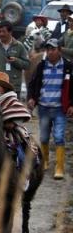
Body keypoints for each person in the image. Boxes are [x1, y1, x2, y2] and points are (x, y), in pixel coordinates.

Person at [27, 39, 73, 179]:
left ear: (59, 50)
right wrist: (32, 98)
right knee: (44, 137)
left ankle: (59, 167)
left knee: (59, 137)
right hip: (44, 107)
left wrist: (71, 104)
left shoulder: (68, 66)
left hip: (60, 108)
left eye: (53, 49)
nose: (50, 52)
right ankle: (45, 161)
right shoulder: (42, 66)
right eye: (48, 49)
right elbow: (33, 83)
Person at [0, 20, 29, 95]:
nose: (1, 34)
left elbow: (27, 64)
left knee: (12, 107)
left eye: (3, 31)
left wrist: (16, 61)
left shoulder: (19, 46)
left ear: (10, 32)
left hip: (14, 87)